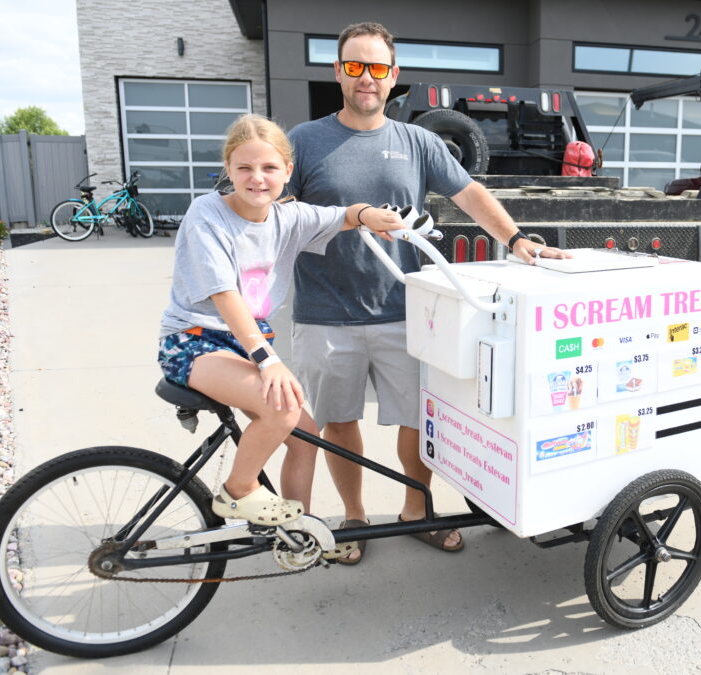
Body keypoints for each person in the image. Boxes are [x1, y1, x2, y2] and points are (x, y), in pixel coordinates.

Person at [288, 21, 568, 564]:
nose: (365, 79)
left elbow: (469, 192)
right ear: (338, 73)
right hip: (324, 313)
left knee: (420, 418)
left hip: (402, 310)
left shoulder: (416, 142)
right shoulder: (304, 141)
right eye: (354, 67)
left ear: (393, 77)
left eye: (376, 68)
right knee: (340, 422)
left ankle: (416, 511)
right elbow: (280, 217)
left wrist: (514, 239)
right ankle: (354, 518)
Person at [157, 113, 403, 525]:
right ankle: (238, 491)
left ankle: (296, 529)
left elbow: (342, 214)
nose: (258, 178)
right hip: (195, 341)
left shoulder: (289, 218)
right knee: (284, 408)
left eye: (270, 167)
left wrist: (368, 215)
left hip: (246, 343)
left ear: (287, 171)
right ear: (229, 170)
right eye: (245, 168)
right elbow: (225, 294)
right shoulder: (207, 214)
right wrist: (268, 360)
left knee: (305, 438)